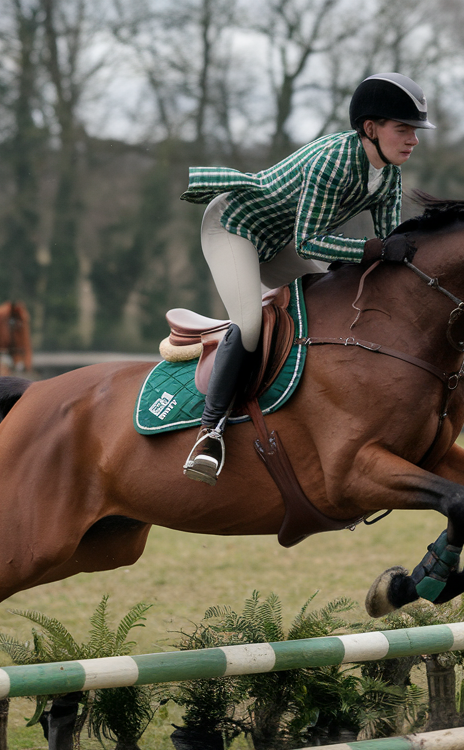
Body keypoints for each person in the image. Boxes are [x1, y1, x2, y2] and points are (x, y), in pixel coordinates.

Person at [177, 73, 434, 484]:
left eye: (415, 131)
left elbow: (389, 245)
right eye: (403, 129)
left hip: (281, 239)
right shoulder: (334, 160)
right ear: (371, 129)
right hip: (234, 229)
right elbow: (312, 242)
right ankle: (210, 433)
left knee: (330, 302)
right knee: (249, 322)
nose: (413, 140)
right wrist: (373, 250)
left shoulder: (388, 176)